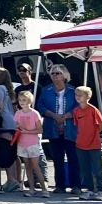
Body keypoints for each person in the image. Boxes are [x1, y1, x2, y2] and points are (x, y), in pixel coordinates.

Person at [38, 65, 80, 196]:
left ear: (64, 75)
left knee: (73, 158)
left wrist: (67, 115)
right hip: (53, 128)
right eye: (53, 73)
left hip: (70, 129)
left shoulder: (73, 90)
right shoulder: (46, 90)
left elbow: (79, 105)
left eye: (58, 73)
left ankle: (76, 185)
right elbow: (40, 105)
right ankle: (60, 185)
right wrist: (53, 115)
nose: (55, 76)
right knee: (57, 159)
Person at [71, 86, 102, 201]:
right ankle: (90, 190)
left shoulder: (93, 110)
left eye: (80, 95)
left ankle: (101, 191)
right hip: (80, 145)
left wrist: (94, 135)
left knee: (97, 169)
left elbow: (101, 125)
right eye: (76, 95)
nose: (78, 97)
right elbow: (77, 126)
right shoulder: (76, 111)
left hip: (94, 145)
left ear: (88, 97)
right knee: (85, 169)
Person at [0, 67, 22, 192]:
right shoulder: (8, 88)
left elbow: (0, 106)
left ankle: (11, 180)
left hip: (4, 122)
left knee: (4, 150)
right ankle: (13, 179)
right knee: (11, 152)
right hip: (12, 122)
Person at [13, 90, 48, 196]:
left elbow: (40, 130)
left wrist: (26, 131)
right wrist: (18, 128)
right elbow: (16, 125)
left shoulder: (34, 113)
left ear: (30, 101)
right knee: (27, 166)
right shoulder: (18, 113)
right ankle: (31, 189)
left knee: (35, 166)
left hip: (33, 143)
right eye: (20, 100)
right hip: (22, 143)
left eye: (24, 100)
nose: (22, 102)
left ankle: (44, 189)